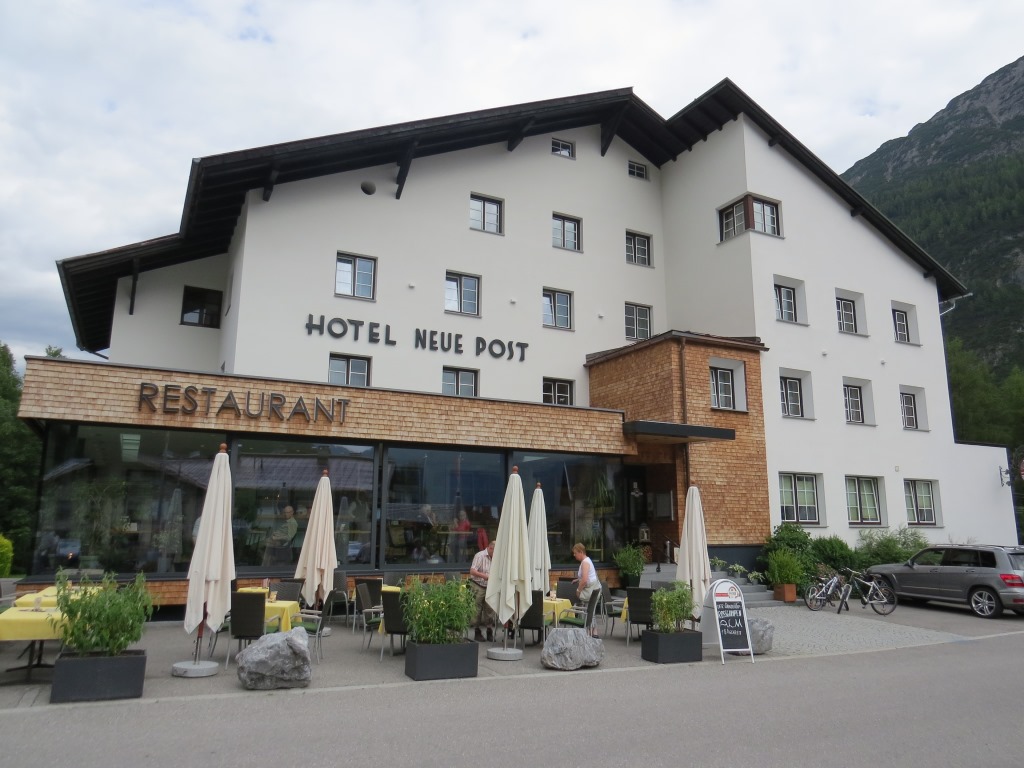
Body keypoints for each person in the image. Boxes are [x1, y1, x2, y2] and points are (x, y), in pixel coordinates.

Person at [571, 542, 602, 637]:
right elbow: (589, 575)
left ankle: (591, 631)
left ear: (581, 552)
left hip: (590, 590)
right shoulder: (587, 560)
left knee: (589, 611)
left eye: (575, 553)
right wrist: (577, 579)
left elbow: (584, 580)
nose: (574, 555)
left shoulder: (585, 563)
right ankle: (593, 631)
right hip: (595, 589)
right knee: (591, 611)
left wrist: (578, 590)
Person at [468, 541, 496, 642]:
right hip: (478, 584)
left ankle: (489, 631)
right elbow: (472, 571)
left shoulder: (496, 557)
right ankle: (477, 631)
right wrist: (484, 576)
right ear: (490, 548)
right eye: (495, 551)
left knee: (490, 608)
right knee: (477, 609)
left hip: (490, 586)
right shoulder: (480, 556)